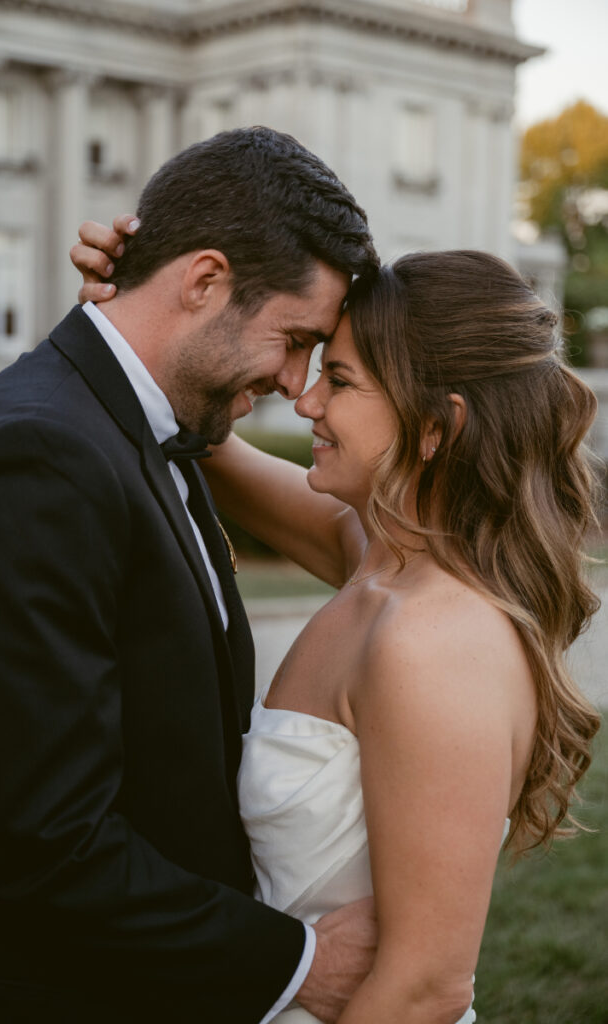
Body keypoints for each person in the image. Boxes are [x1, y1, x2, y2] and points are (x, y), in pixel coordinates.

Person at [77, 234, 601, 1022]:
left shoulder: (428, 645)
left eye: (342, 381)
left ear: (435, 427)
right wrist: (139, 315)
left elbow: (425, 989)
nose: (308, 400)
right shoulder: (375, 557)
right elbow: (214, 452)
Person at [0, 127, 381, 1024]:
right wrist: (293, 964)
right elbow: (47, 838)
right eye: (295, 340)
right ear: (204, 279)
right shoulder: (35, 455)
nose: (298, 384)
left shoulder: (139, 429)